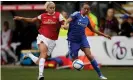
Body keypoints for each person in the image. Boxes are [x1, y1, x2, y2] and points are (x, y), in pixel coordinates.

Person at [13, 2, 65, 80]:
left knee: (40, 61)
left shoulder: (58, 15)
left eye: (53, 8)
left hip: (52, 41)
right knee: (43, 54)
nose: (52, 9)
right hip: (42, 37)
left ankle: (29, 55)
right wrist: (21, 18)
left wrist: (66, 26)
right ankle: (41, 75)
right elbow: (32, 20)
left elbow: (64, 24)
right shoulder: (42, 16)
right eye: (50, 8)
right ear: (46, 9)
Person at [64, 3, 111, 80]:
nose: (86, 10)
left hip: (82, 39)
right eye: (85, 8)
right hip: (73, 40)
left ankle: (100, 75)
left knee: (89, 55)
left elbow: (93, 30)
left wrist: (104, 35)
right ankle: (70, 53)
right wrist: (65, 24)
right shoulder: (76, 14)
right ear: (81, 8)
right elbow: (68, 20)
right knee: (73, 59)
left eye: (88, 9)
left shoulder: (87, 19)